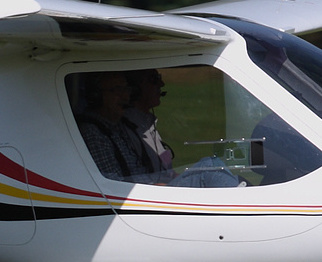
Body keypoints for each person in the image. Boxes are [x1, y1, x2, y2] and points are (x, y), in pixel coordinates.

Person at [76, 69, 241, 188]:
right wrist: (155, 185)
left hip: (153, 187)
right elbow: (111, 185)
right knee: (209, 168)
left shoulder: (118, 127)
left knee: (210, 163)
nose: (125, 96)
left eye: (126, 90)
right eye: (118, 90)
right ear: (96, 96)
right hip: (143, 195)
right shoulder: (96, 132)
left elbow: (145, 170)